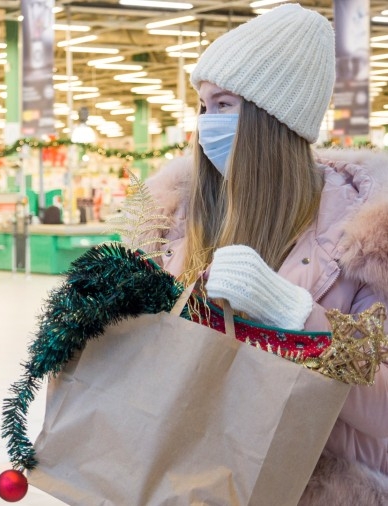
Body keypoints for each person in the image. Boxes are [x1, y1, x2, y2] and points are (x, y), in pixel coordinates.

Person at [143, 5, 388, 504]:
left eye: (224, 104)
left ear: (273, 117)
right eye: (203, 106)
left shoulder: (365, 240)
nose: (206, 123)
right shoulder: (178, 221)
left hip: (316, 486)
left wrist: (296, 315)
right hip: (190, 476)